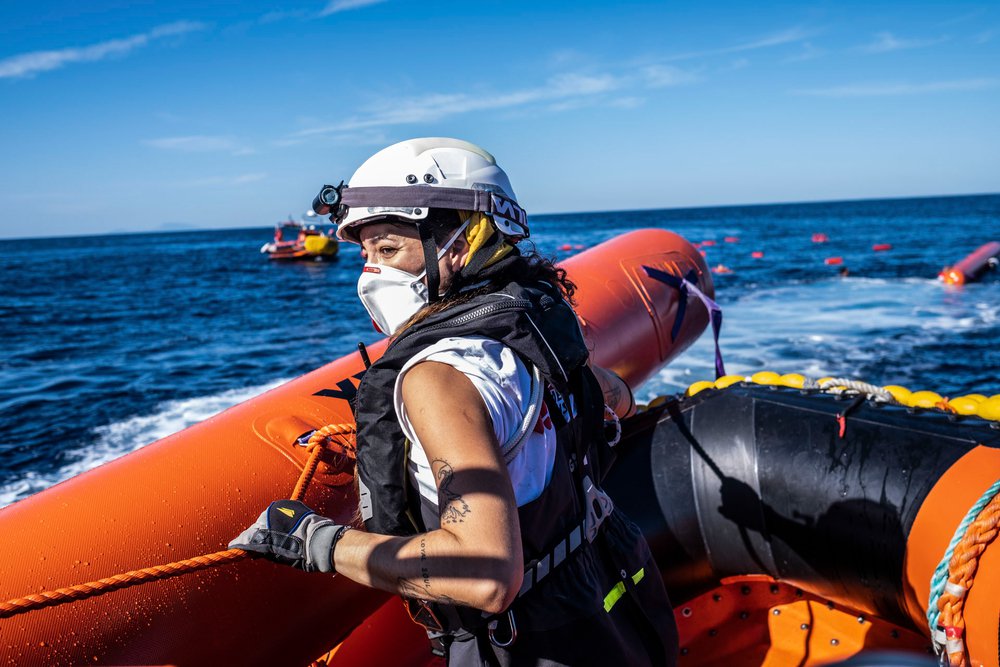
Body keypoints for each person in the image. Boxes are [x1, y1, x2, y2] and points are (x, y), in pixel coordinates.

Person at [230, 138, 678, 666]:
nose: (370, 275)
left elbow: (486, 575)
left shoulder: (437, 379)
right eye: (365, 253)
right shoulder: (533, 328)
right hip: (612, 602)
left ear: (460, 242)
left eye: (389, 250)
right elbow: (614, 395)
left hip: (534, 643)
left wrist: (316, 541)